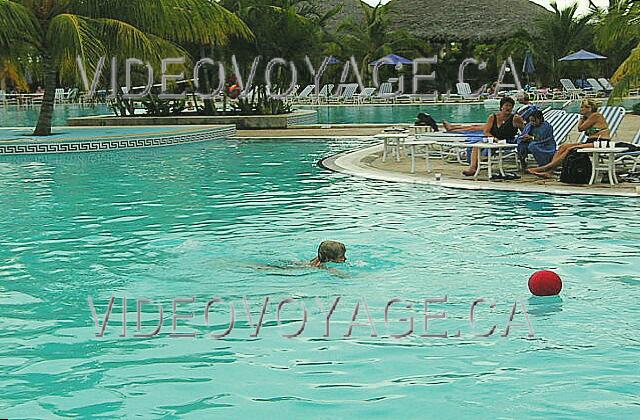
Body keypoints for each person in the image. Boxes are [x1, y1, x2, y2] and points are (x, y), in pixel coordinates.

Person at [527, 99, 610, 178]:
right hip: (590, 142)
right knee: (563, 146)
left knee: (570, 149)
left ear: (590, 108)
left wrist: (581, 118)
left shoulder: (596, 115)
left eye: (583, 107)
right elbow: (580, 128)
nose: (581, 109)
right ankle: (549, 172)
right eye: (581, 107)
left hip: (600, 142)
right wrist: (582, 117)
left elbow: (581, 128)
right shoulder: (586, 118)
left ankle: (545, 168)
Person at [462, 97, 524, 176]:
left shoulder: (515, 118)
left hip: (507, 142)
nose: (508, 108)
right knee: (476, 146)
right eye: (506, 105)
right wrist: (494, 139)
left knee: (486, 151)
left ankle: (478, 163)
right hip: (493, 140)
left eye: (510, 106)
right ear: (501, 107)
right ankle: (472, 168)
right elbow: (486, 132)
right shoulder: (493, 117)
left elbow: (524, 131)